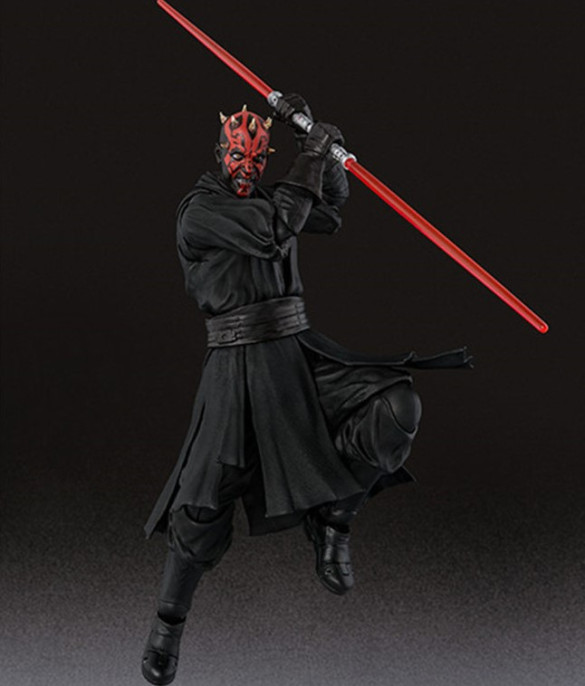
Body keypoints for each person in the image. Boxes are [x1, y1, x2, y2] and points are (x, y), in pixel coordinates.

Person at [141, 95, 471, 685]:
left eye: (257, 157)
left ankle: (334, 520)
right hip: (235, 367)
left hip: (295, 354)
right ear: (219, 151)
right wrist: (312, 154)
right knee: (201, 508)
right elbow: (275, 231)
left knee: (394, 408)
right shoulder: (200, 212)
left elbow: (330, 212)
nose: (246, 166)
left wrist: (320, 149)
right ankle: (168, 624)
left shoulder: (275, 198)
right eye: (237, 155)